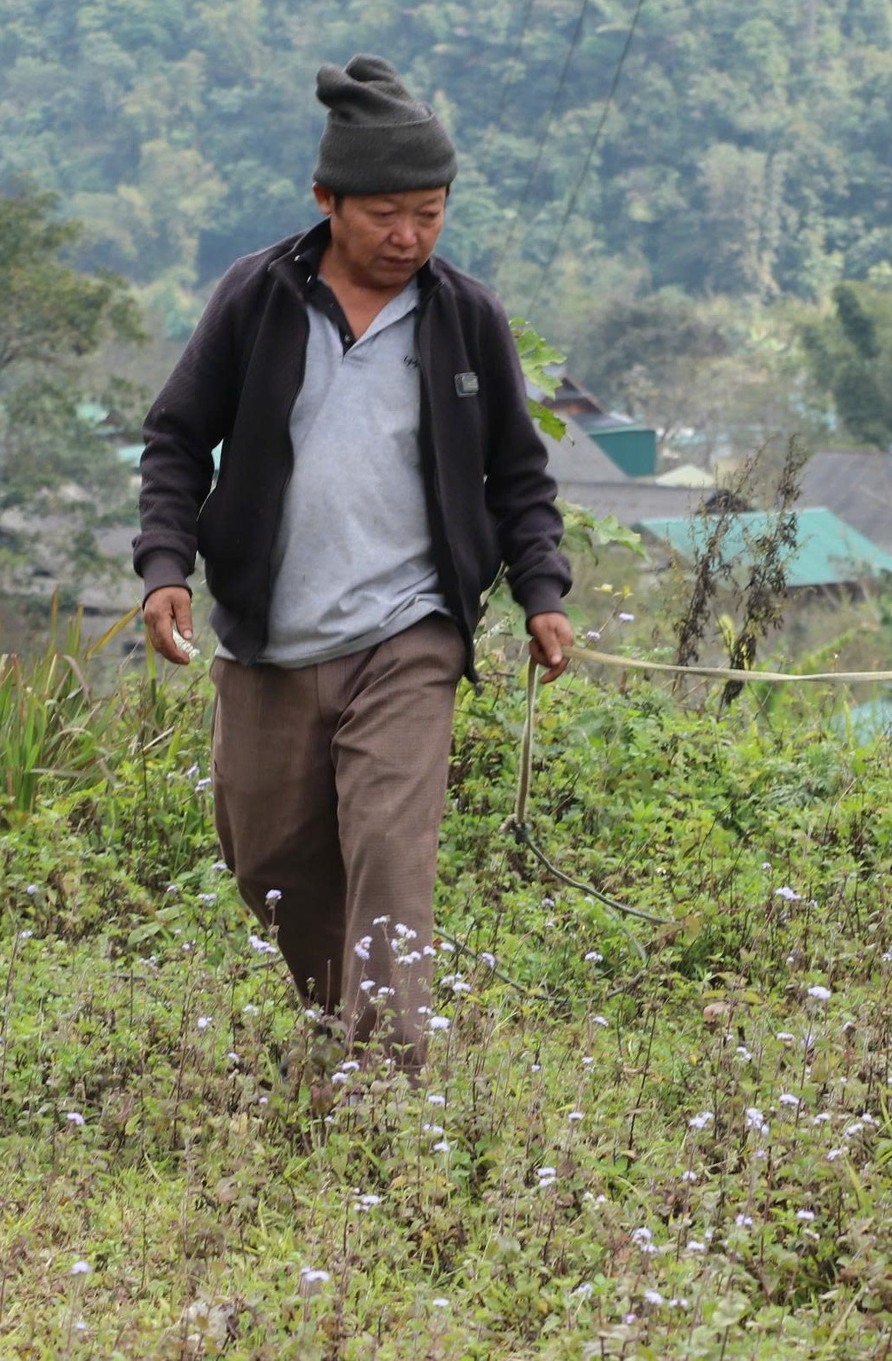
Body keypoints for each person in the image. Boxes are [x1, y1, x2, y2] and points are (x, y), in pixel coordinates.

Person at [133, 54, 573, 1071]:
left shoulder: (464, 317)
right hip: (271, 637)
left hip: (408, 634)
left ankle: (388, 1079)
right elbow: (176, 438)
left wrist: (542, 592)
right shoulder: (257, 299)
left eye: (429, 214)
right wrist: (166, 566)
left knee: (387, 848)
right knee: (267, 860)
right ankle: (342, 1026)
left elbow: (518, 473)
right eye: (385, 214)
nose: (408, 236)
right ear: (326, 199)